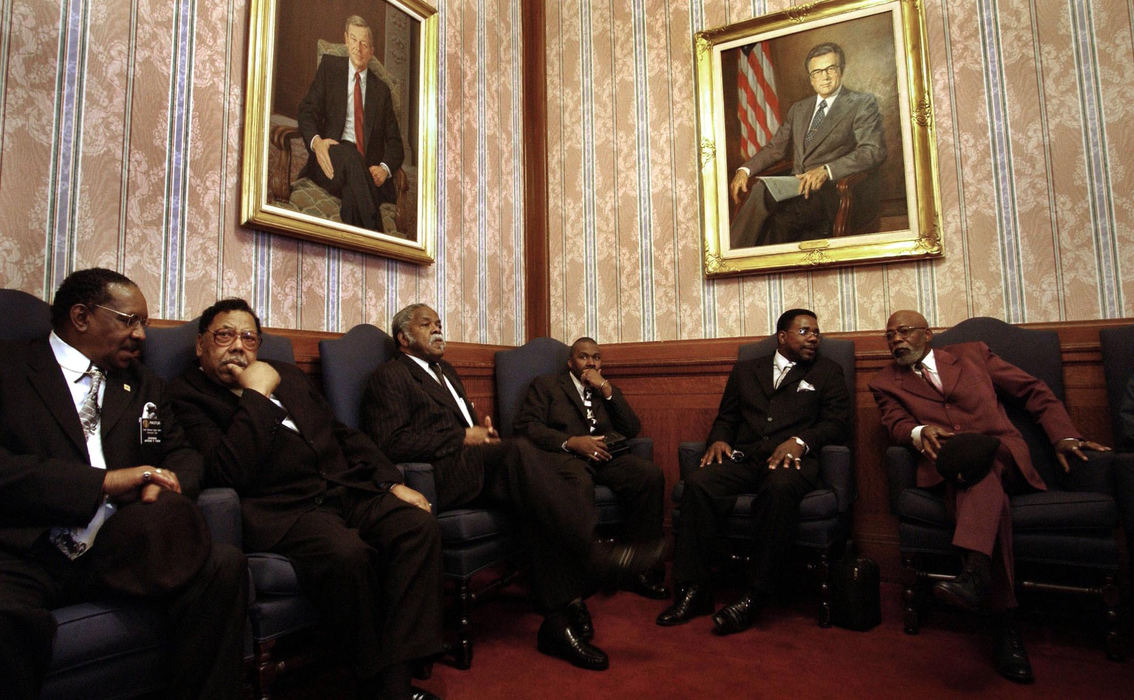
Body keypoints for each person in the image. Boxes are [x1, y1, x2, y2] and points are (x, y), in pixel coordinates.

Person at [361, 304, 664, 672]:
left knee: (537, 500)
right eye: (427, 325)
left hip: (476, 466)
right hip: (438, 476)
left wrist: (481, 433)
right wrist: (463, 436)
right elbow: (389, 442)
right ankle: (595, 556)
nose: (438, 330)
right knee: (521, 452)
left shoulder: (447, 373)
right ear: (404, 338)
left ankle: (558, 620)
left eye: (439, 324)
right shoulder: (390, 376)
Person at [168, 298, 442, 700]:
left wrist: (390, 483)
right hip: (283, 508)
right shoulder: (187, 395)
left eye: (249, 337)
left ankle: (397, 675)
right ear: (200, 345)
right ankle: (379, 683)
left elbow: (342, 433)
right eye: (225, 335)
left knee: (418, 527)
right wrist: (256, 397)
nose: (239, 346)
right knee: (348, 555)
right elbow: (227, 472)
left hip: (344, 489)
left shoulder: (288, 374)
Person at [0, 268, 247, 699]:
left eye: (144, 324)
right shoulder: (11, 368)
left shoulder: (145, 383)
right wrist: (105, 482)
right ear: (81, 316)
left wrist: (167, 484)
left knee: (222, 565)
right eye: (128, 320)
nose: (141, 336)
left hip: (117, 543)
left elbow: (183, 453)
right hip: (27, 549)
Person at [868, 309, 1110, 683]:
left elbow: (1032, 391)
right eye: (889, 336)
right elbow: (895, 423)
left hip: (1003, 454)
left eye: (904, 331)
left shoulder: (972, 354)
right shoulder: (884, 381)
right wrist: (918, 431)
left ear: (927, 334)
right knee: (977, 477)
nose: (896, 340)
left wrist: (1065, 436)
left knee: (984, 459)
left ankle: (981, 585)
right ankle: (1001, 617)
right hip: (949, 466)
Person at [657, 308, 850, 636]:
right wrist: (718, 440)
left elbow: (836, 423)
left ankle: (755, 594)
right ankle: (694, 591)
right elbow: (727, 417)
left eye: (816, 332)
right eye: (805, 331)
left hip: (793, 463)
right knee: (700, 482)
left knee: (778, 490)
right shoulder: (746, 370)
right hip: (746, 459)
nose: (814, 337)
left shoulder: (828, 371)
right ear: (783, 336)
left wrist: (800, 442)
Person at [512, 337, 669, 599]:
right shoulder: (547, 385)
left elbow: (631, 428)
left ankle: (638, 570)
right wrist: (571, 442)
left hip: (606, 456)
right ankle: (581, 573)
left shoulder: (602, 389)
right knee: (578, 484)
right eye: (584, 357)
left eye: (596, 357)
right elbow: (527, 427)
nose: (591, 362)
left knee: (649, 476)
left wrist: (606, 389)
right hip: (567, 457)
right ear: (570, 362)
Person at [729, 42, 886, 248]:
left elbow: (872, 151)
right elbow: (775, 148)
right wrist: (744, 170)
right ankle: (735, 254)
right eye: (818, 72)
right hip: (793, 188)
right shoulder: (799, 109)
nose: (825, 76)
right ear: (811, 78)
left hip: (830, 191)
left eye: (831, 69)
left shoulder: (861, 103)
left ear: (841, 70)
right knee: (759, 191)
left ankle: (735, 255)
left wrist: (826, 170)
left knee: (773, 218)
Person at [297, 15, 404, 232]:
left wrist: (384, 169)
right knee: (350, 156)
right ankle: (378, 238)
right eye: (353, 40)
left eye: (364, 43)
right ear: (346, 39)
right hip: (332, 159)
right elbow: (306, 111)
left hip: (366, 171)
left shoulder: (381, 91)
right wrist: (317, 143)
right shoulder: (330, 68)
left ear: (371, 50)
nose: (358, 48)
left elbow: (395, 143)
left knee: (353, 192)